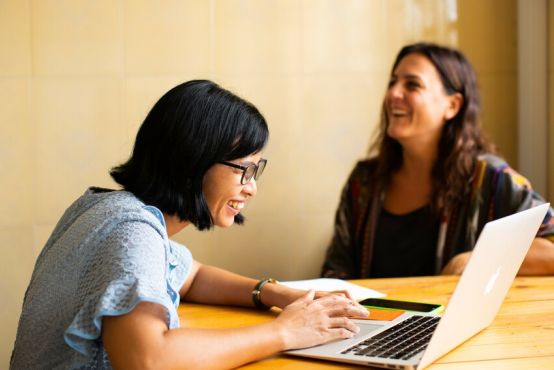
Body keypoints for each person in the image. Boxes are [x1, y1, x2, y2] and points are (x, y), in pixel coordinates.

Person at [11, 80, 368, 370]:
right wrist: (284, 332)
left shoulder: (109, 208)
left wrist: (279, 295)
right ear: (193, 160)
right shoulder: (131, 232)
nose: (252, 187)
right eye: (244, 169)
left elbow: (191, 276)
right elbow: (148, 360)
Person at [322, 42, 554, 279]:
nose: (393, 94)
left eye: (412, 84)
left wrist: (476, 259)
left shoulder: (493, 180)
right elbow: (335, 270)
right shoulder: (364, 181)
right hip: (368, 317)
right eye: (393, 82)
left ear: (452, 106)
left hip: (458, 318)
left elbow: (551, 248)